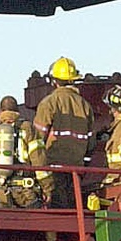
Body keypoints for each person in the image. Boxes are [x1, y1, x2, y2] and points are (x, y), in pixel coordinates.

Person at [33, 57, 96, 208]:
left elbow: (36, 141)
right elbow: (91, 144)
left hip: (53, 171)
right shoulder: (85, 106)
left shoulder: (48, 103)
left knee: (56, 216)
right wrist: (83, 168)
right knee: (73, 214)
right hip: (76, 172)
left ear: (54, 81)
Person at [0, 96, 43, 207]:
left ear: (0, 111)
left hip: (0, 194)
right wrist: (47, 188)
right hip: (25, 193)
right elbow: (39, 160)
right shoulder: (28, 128)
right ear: (18, 111)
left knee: (4, 223)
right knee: (34, 222)